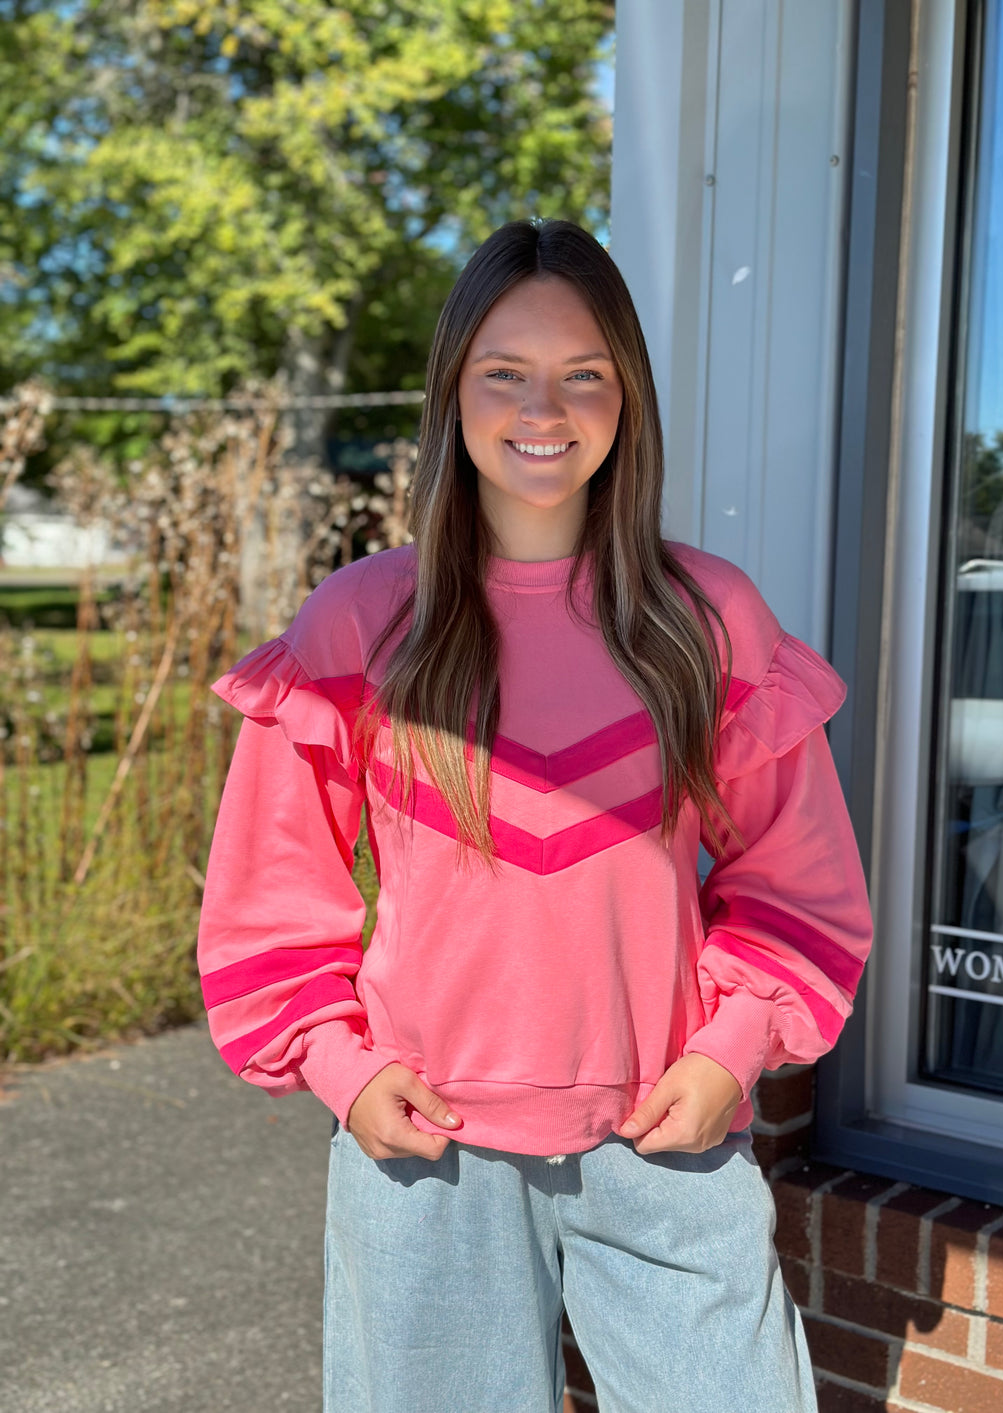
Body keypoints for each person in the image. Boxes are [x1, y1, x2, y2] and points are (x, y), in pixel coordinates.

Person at [197, 219, 873, 1413]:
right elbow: (268, 899)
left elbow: (797, 882)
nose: (541, 406)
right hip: (425, 1154)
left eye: (584, 373)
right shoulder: (361, 625)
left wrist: (730, 1055)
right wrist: (345, 1071)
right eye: (503, 371)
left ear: (628, 398)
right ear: (453, 392)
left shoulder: (705, 618)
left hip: (666, 1140)